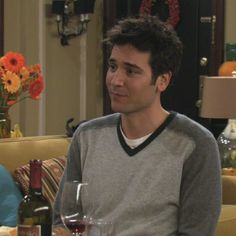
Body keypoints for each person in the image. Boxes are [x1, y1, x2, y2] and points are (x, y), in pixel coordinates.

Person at [52, 16, 222, 236]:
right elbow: (62, 222)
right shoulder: (87, 136)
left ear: (162, 81)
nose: (115, 80)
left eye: (131, 71)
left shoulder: (195, 144)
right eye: (113, 67)